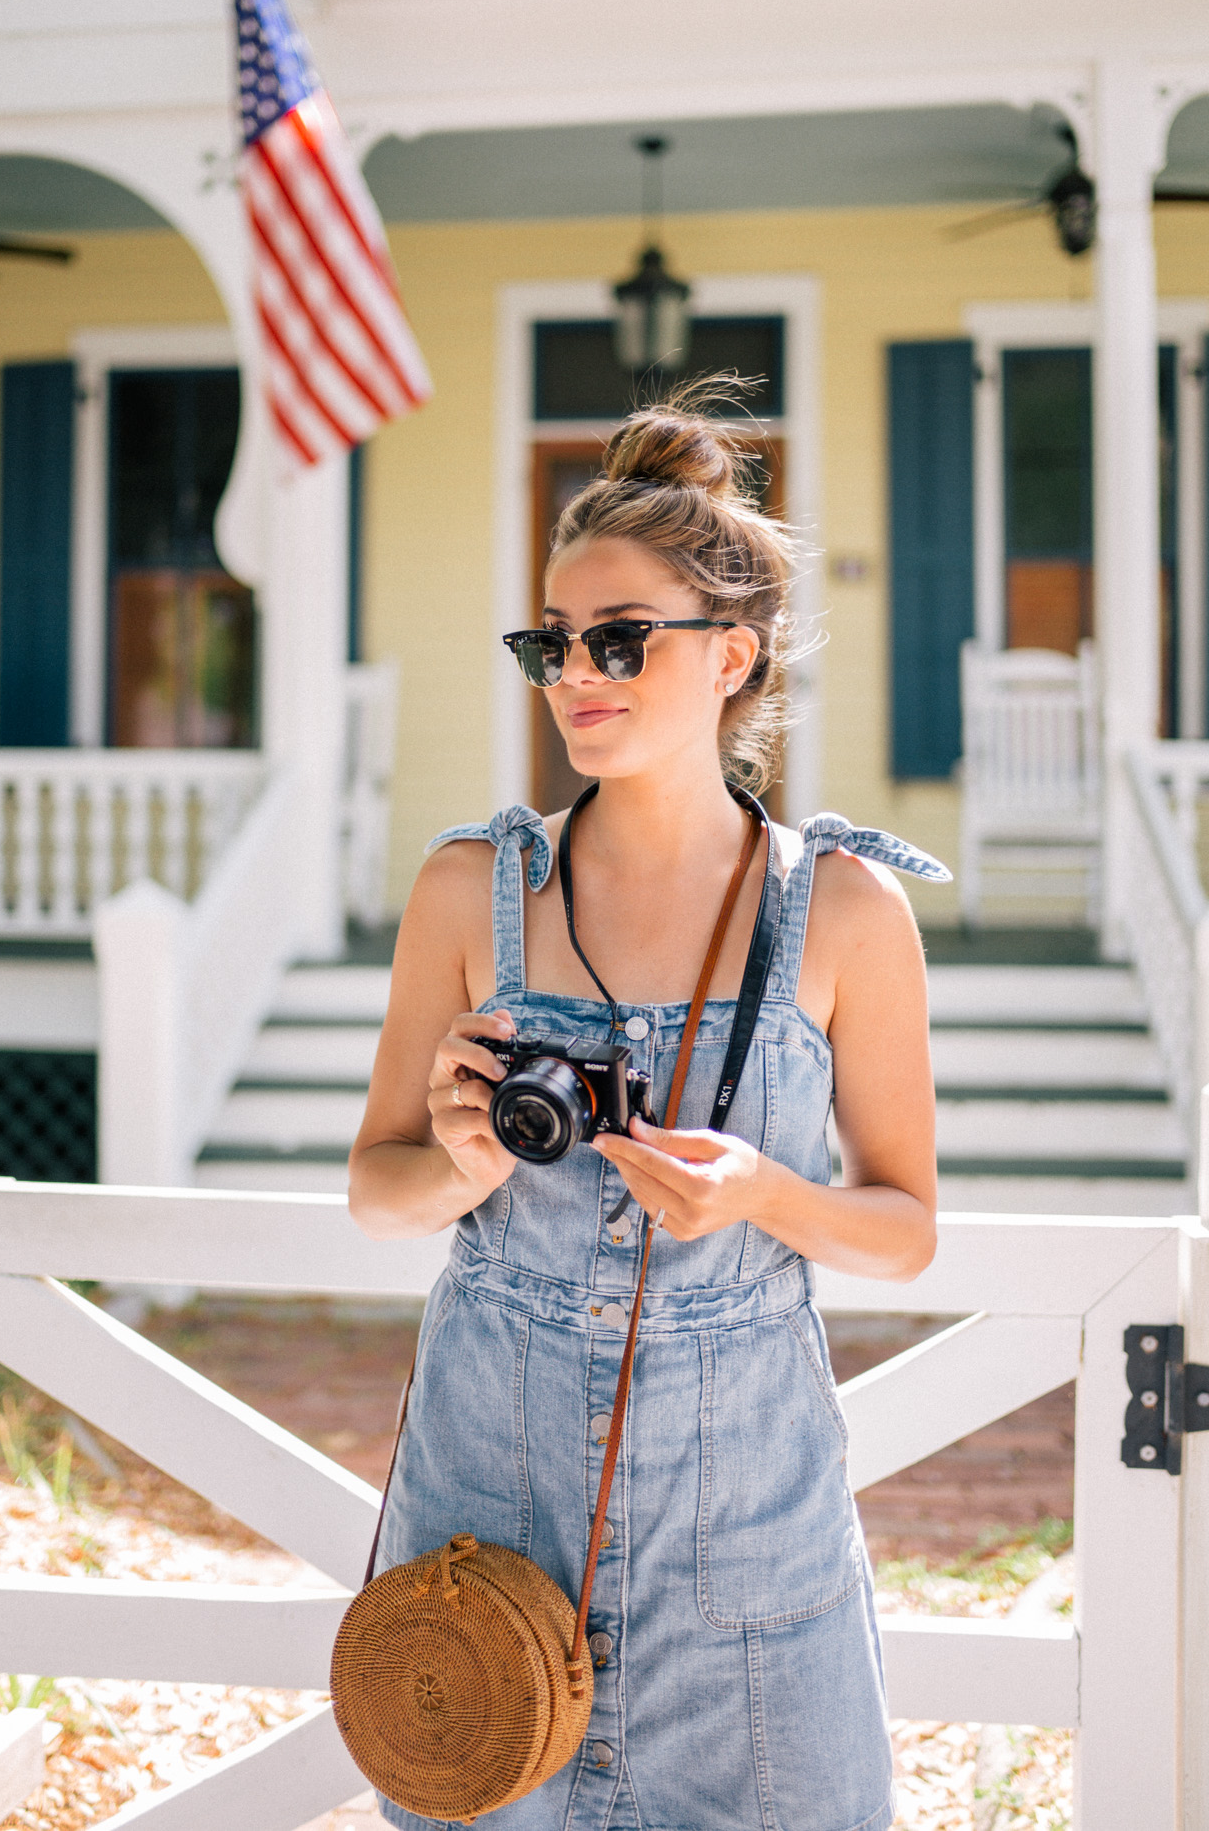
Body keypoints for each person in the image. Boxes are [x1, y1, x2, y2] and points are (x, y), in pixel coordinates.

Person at [349, 385, 944, 1831]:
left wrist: (761, 1196)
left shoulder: (845, 910)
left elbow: (907, 1228)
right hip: (487, 1517)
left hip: (751, 1530)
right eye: (551, 644)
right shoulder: (469, 889)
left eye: (618, 641)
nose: (574, 676)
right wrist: (464, 1156)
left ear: (732, 655)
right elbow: (378, 1188)